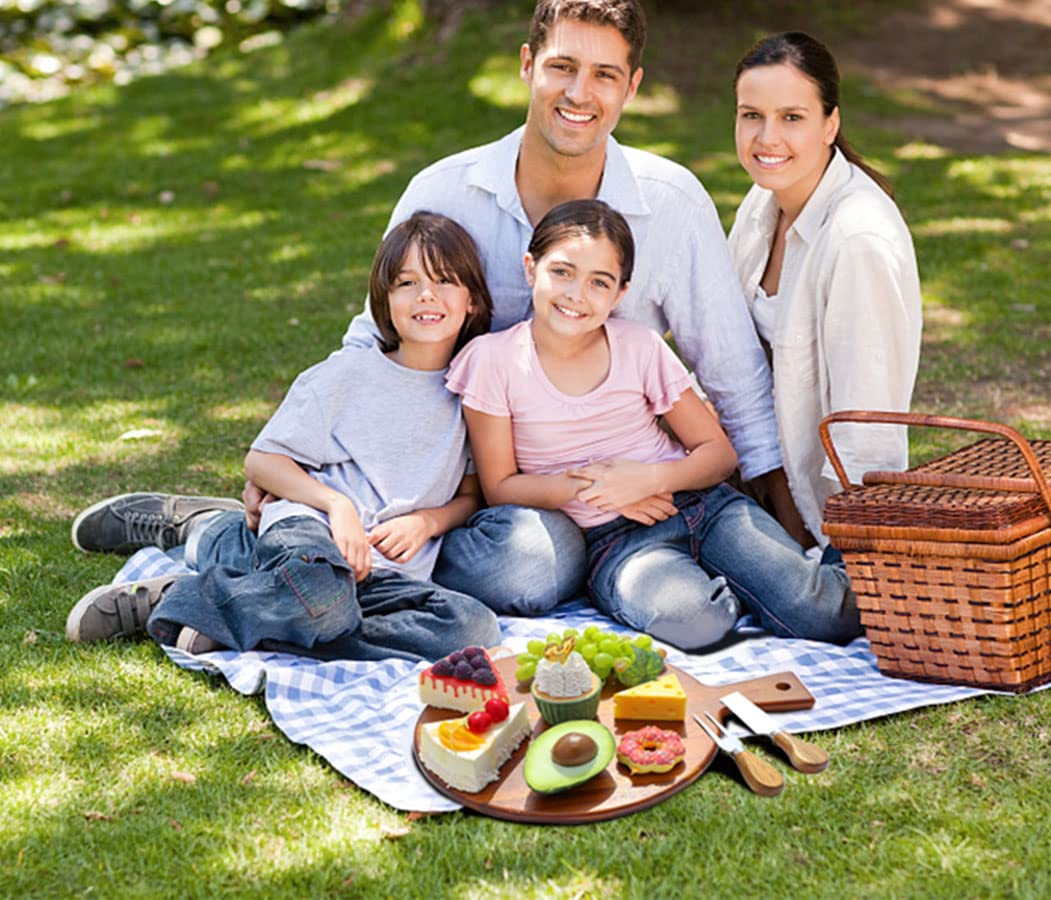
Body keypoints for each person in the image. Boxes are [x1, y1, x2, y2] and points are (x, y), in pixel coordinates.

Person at [72, 0, 794, 614]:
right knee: (519, 565)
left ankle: (275, 560)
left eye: (604, 74)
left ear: (631, 87)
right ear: (526, 66)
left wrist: (787, 532)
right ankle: (234, 538)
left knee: (538, 566)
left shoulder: (669, 204)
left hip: (572, 497)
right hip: (436, 478)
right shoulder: (443, 192)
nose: (580, 93)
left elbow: (731, 371)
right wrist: (290, 456)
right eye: (562, 67)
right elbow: (372, 337)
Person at [66, 213, 501, 661]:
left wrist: (428, 522)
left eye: (445, 280)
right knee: (321, 597)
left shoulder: (473, 392)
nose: (426, 295)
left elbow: (470, 494)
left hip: (381, 573)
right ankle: (175, 601)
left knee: (471, 627)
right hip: (310, 534)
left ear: (471, 300)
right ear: (384, 299)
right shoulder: (347, 375)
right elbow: (263, 461)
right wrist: (338, 506)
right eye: (407, 282)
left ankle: (241, 607)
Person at [446, 199, 859, 650]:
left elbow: (718, 454)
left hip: (703, 507)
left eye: (598, 282)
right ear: (531, 268)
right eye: (562, 272)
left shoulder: (638, 347)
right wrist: (599, 489)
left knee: (823, 615)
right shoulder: (493, 361)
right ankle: (748, 587)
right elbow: (501, 487)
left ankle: (870, 557)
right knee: (697, 624)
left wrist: (648, 479)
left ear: (620, 294)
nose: (576, 294)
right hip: (617, 545)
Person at [727, 31, 923, 546]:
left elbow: (867, 430)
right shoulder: (760, 204)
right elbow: (725, 351)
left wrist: (849, 552)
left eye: (792, 117)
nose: (767, 137)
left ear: (830, 124)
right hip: (754, 477)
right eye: (752, 115)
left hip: (824, 519)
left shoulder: (858, 239)